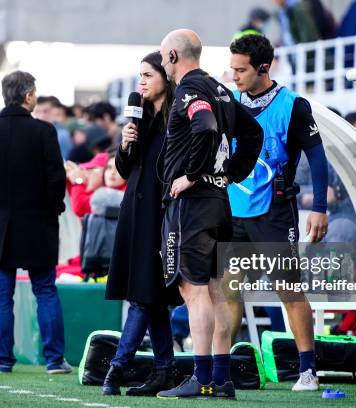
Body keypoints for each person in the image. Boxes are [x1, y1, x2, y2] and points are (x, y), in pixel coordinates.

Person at [156, 29, 263, 400]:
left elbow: (204, 126)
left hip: (194, 206)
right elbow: (254, 134)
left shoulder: (189, 91)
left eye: (162, 57)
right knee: (218, 293)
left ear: (172, 56)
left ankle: (199, 378)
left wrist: (193, 174)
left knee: (195, 291)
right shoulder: (223, 92)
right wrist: (229, 174)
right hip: (219, 203)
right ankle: (221, 378)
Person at [228, 34, 330, 391]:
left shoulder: (293, 106)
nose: (234, 76)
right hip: (234, 210)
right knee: (229, 290)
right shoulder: (229, 101)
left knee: (288, 290)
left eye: (241, 70)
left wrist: (319, 208)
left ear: (264, 69)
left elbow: (318, 158)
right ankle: (220, 368)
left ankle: (308, 371)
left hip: (275, 211)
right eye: (232, 68)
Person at [0, 71, 71, 375]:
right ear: (27, 96)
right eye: (34, 92)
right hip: (38, 222)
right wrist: (54, 208)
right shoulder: (44, 132)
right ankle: (53, 360)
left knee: (1, 294)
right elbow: (55, 177)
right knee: (46, 290)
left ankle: (3, 361)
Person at [102, 51, 180, 397]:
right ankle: (164, 369)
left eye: (148, 75)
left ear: (166, 76)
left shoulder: (178, 116)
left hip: (163, 214)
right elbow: (124, 169)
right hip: (135, 211)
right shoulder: (140, 117)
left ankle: (117, 368)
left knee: (144, 294)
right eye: (140, 76)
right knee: (152, 295)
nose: (142, 82)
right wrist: (125, 143)